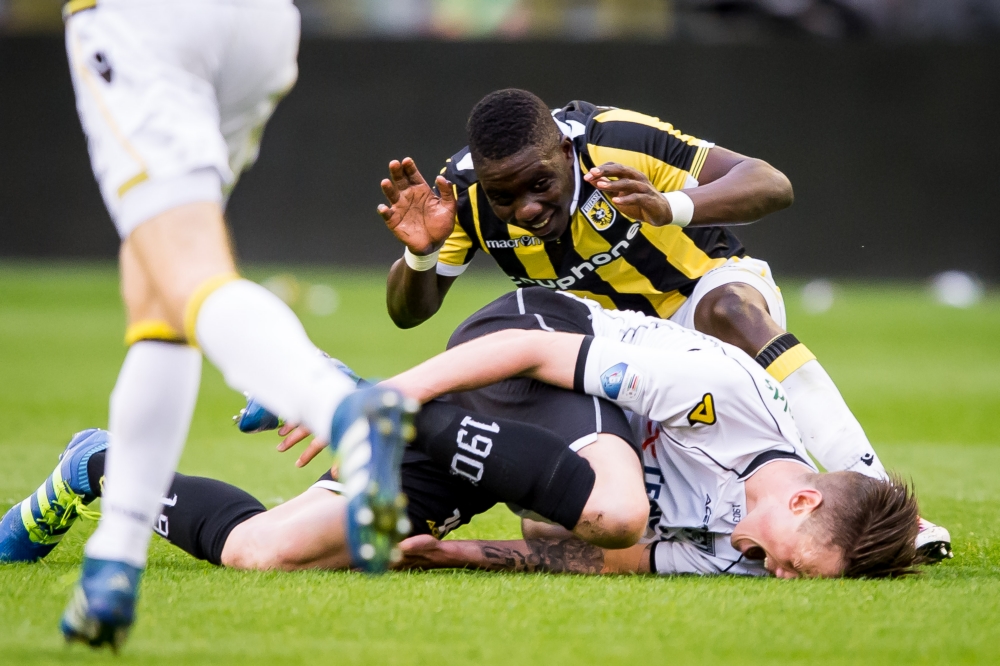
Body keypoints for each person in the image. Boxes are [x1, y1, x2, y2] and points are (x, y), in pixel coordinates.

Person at [377, 89, 950, 558]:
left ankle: (888, 502)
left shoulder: (615, 138)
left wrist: (672, 207)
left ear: (568, 153)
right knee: (560, 524)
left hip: (697, 297)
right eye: (507, 197)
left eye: (541, 184)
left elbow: (773, 184)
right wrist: (421, 256)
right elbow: (409, 313)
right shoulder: (464, 192)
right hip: (603, 334)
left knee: (729, 312)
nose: (526, 208)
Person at [2, 289, 921, 578]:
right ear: (804, 498)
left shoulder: (740, 552)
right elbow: (525, 344)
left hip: (517, 457)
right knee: (616, 506)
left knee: (262, 554)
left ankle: (95, 468)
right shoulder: (719, 391)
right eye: (801, 563)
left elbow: (581, 559)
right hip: (521, 348)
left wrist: (442, 556)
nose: (781, 578)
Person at [58, 0, 413, 649]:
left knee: (188, 271)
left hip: (145, 19)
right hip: (262, 24)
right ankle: (114, 562)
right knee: (160, 292)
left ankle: (345, 412)